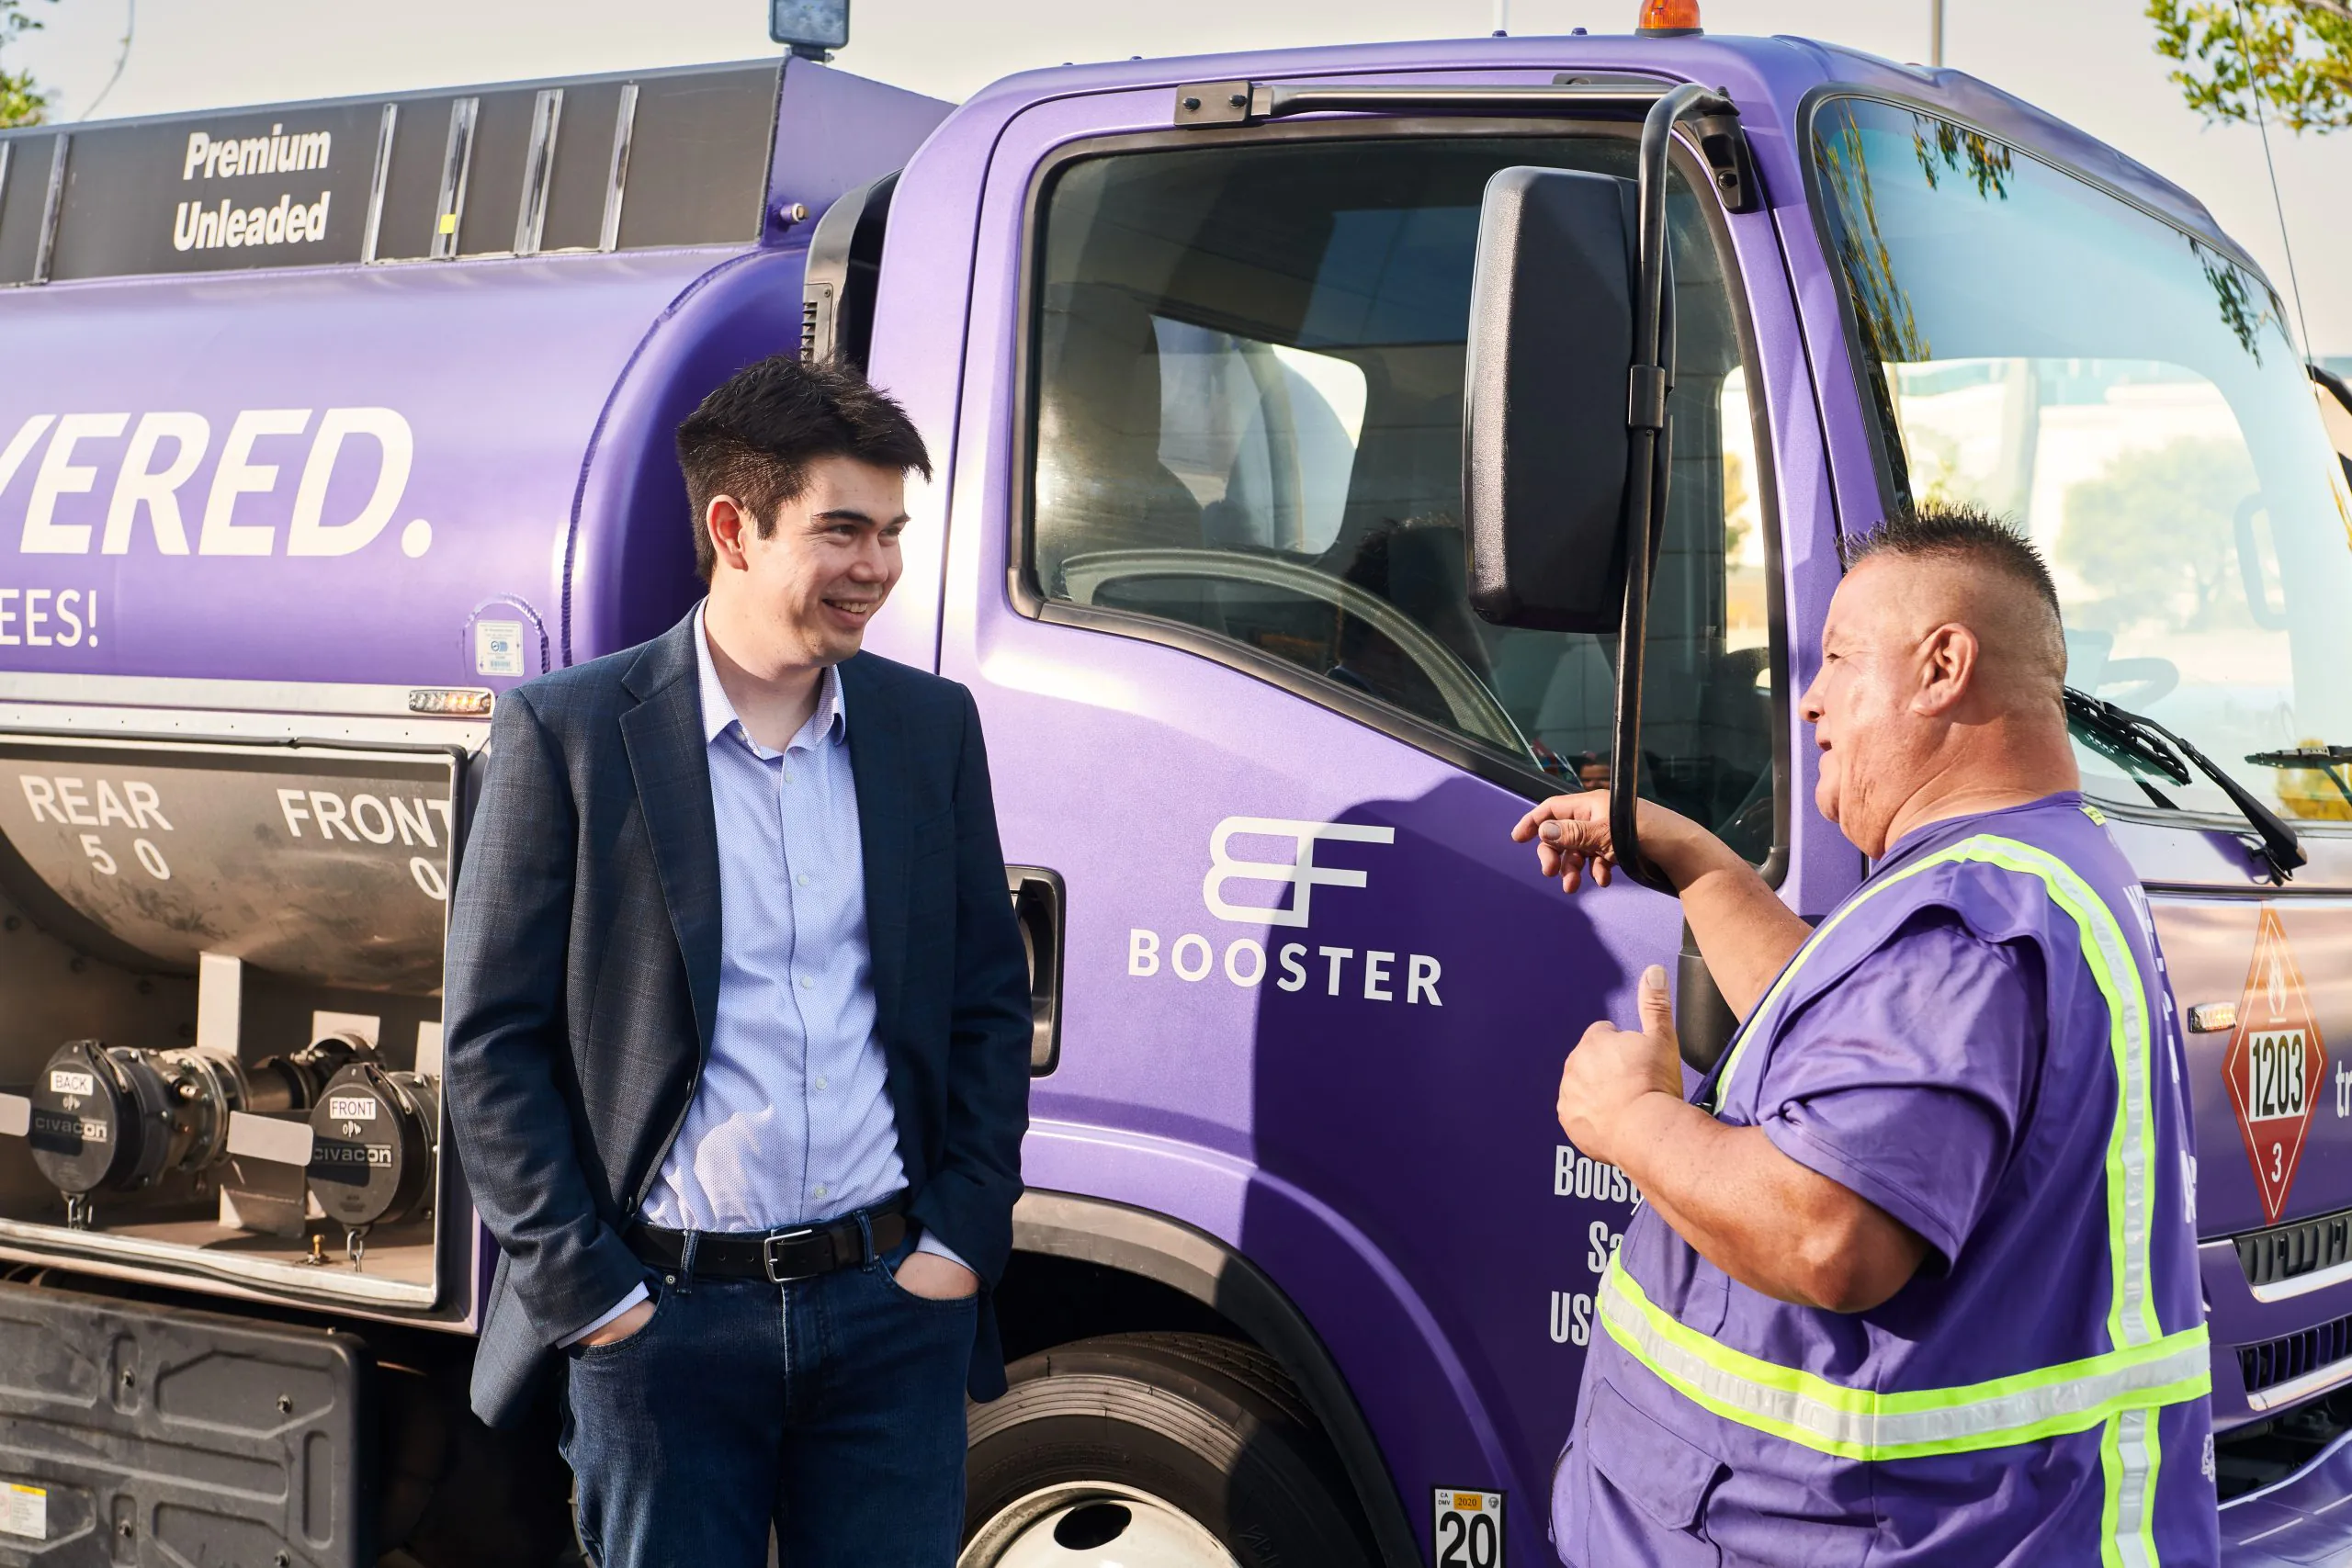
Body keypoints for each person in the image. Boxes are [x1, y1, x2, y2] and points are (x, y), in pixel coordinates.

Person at [1515, 505, 2217, 1566]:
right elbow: (1844, 1044)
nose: (1808, 701)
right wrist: (1697, 861)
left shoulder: (1965, 921)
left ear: (1941, 667)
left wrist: (1631, 1119)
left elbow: (1827, 1234)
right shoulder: (2038, 871)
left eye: (1839, 659)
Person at [443, 355, 1033, 1567]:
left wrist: (962, 1236)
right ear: (735, 528)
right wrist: (594, 1296)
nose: (876, 566)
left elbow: (985, 999)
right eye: (842, 530)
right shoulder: (568, 733)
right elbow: (490, 1044)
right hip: (664, 1328)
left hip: (891, 1310)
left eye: (891, 532)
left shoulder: (930, 730)